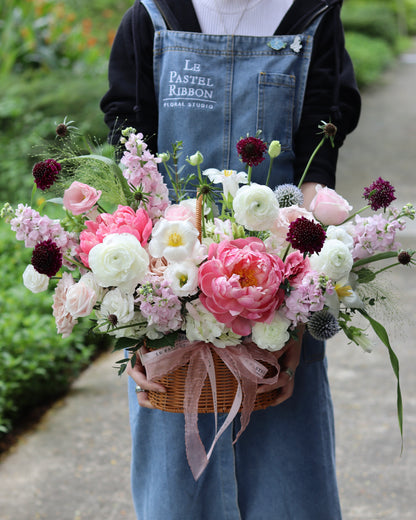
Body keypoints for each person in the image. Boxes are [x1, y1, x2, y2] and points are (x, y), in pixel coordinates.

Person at [100, 1, 361, 519]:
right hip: (170, 312)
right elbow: (132, 171)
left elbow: (316, 166)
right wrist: (135, 320)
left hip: (276, 304)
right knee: (176, 496)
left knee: (289, 495)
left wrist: (300, 317)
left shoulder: (312, 16)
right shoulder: (151, 16)